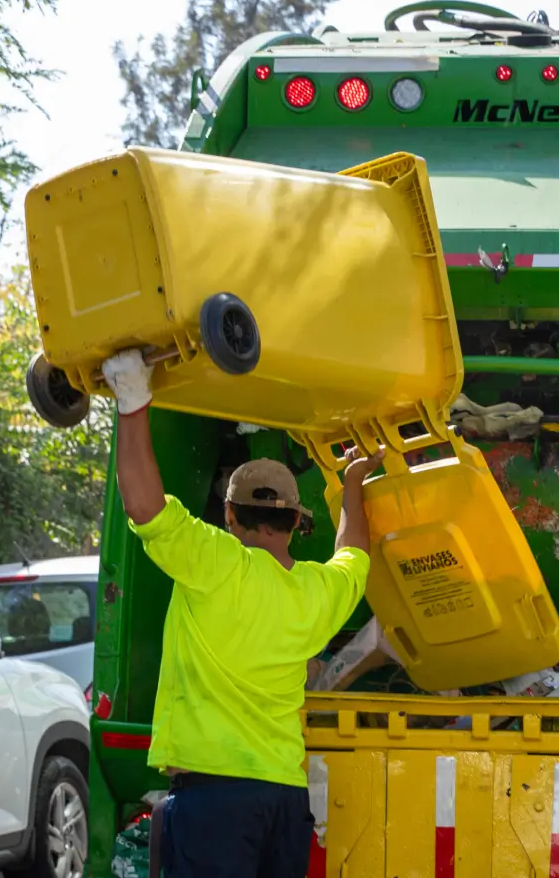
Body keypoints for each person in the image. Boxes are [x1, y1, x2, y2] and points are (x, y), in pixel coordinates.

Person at [101, 348, 384, 878]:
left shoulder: (213, 562)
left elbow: (142, 505)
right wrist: (352, 483)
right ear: (296, 522)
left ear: (230, 515)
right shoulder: (317, 591)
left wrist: (133, 400)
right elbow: (354, 553)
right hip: (284, 798)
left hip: (213, 798)